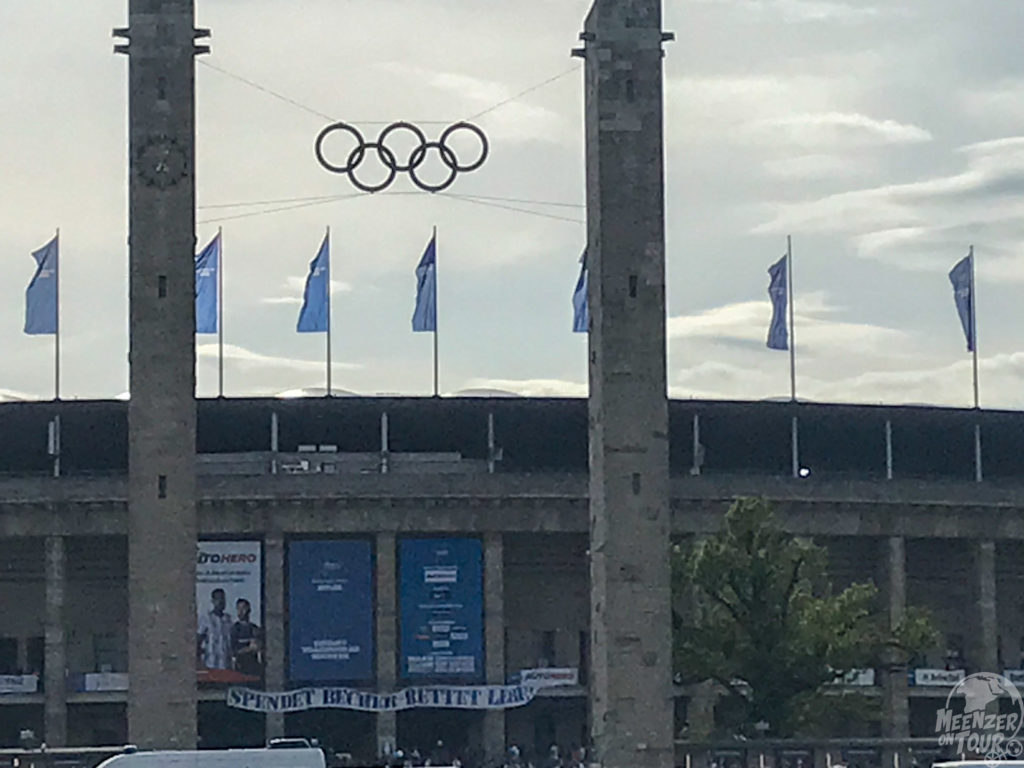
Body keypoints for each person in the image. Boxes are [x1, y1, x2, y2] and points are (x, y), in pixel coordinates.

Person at [197, 588, 233, 669]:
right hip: (210, 664)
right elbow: (198, 642)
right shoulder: (206, 619)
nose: (221, 602)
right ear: (213, 601)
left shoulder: (228, 619)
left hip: (226, 665)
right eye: (218, 599)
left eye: (223, 599)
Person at [230, 597, 263, 677]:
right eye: (238, 609)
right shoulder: (235, 628)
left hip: (253, 667)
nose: (241, 612)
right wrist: (249, 649)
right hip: (240, 667)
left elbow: (260, 647)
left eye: (243, 608)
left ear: (249, 610)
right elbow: (233, 651)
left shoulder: (254, 628)